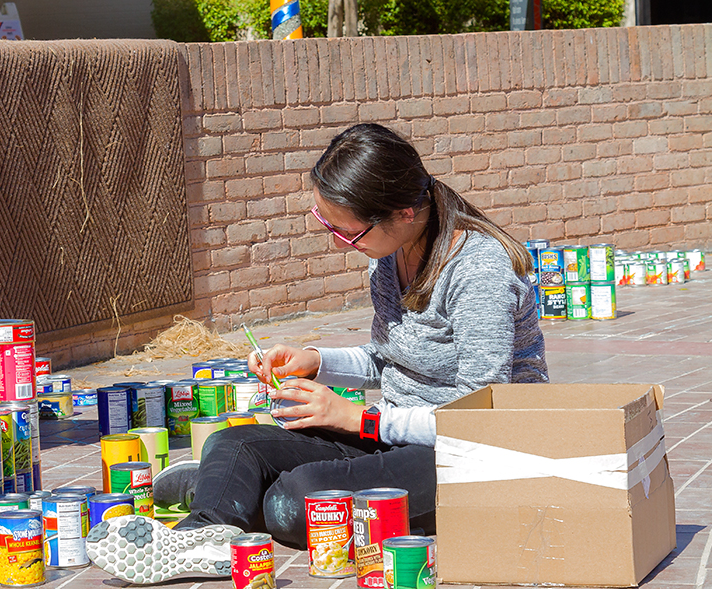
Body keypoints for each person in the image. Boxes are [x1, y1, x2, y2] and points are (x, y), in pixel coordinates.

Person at [86, 123, 549, 584]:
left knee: (297, 502)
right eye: (326, 223)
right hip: (398, 431)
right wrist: (317, 360)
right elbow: (389, 357)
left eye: (346, 232)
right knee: (232, 442)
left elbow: (477, 418)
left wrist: (361, 420)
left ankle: (224, 488)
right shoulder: (388, 256)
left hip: (472, 453)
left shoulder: (478, 272)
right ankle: (203, 534)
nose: (337, 242)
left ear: (405, 213)